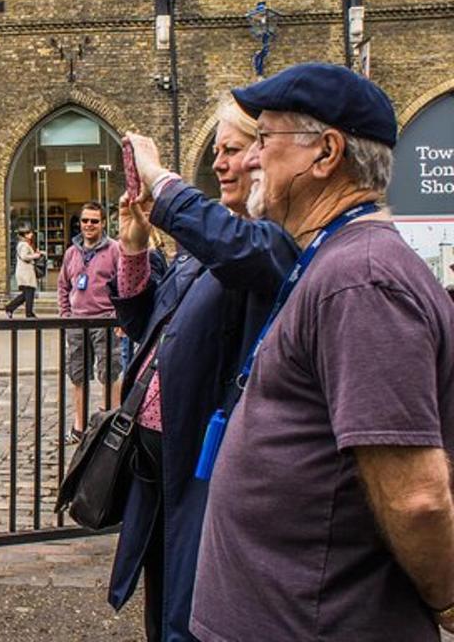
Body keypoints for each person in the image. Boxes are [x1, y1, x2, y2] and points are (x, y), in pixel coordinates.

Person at [181, 63, 454, 641]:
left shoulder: (363, 279)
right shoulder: (334, 263)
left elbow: (419, 499)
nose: (251, 158)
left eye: (264, 140)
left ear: (325, 154)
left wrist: (447, 600)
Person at [107, 99, 297, 641]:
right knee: (162, 595)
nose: (219, 164)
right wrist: (135, 245)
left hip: (204, 466)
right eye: (216, 151)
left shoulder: (267, 241)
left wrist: (162, 183)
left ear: (263, 156)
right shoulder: (206, 247)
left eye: (231, 150)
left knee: (192, 610)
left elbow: (242, 254)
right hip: (159, 465)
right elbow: (147, 322)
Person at [57, 201, 122, 441]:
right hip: (77, 322)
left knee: (110, 373)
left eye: (94, 221)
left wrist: (120, 318)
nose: (89, 225)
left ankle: (110, 423)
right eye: (85, 220)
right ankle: (79, 426)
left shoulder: (114, 250)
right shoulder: (71, 253)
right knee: (77, 374)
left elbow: (123, 286)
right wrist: (65, 315)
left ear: (103, 223)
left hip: (105, 321)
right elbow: (63, 285)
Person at [4, 221, 44, 318]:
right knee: (29, 293)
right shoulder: (23, 245)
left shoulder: (24, 244)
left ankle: (10, 308)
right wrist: (36, 255)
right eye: (29, 233)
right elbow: (24, 256)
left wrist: (35, 253)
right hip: (25, 273)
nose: (31, 234)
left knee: (26, 294)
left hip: (26, 272)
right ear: (25, 235)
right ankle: (28, 313)